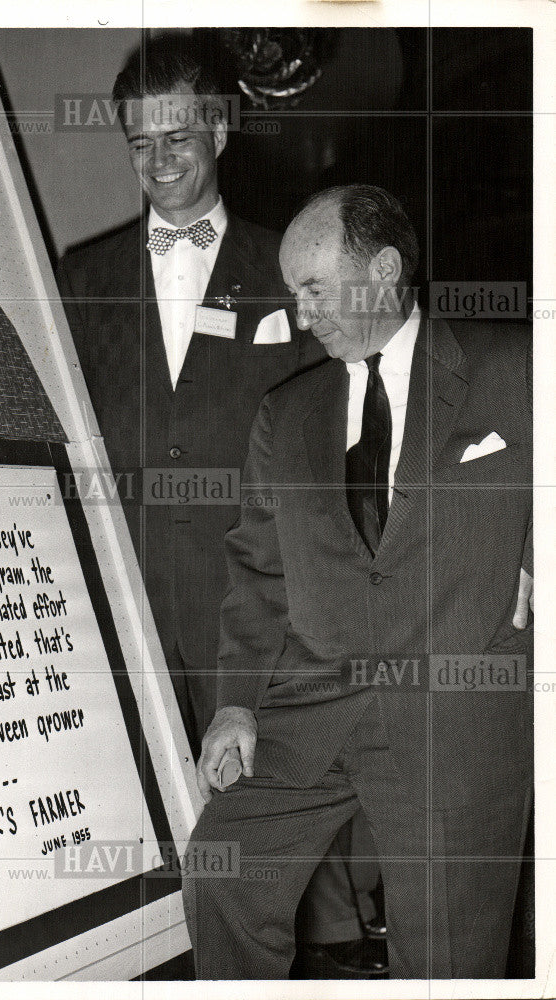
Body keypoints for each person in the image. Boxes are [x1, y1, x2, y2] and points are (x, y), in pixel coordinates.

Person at [56, 38, 385, 977]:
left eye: (179, 137)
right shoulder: (79, 281)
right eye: (140, 144)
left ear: (221, 128)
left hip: (262, 603)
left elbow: (353, 434)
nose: (161, 163)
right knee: (141, 822)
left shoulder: (290, 270)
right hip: (125, 603)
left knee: (285, 841)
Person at [183, 184, 533, 979]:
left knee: (445, 962)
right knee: (222, 870)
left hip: (455, 717)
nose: (302, 317)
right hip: (311, 707)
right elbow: (258, 571)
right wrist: (235, 702)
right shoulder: (288, 413)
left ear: (381, 271)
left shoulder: (515, 365)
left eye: (315, 289)